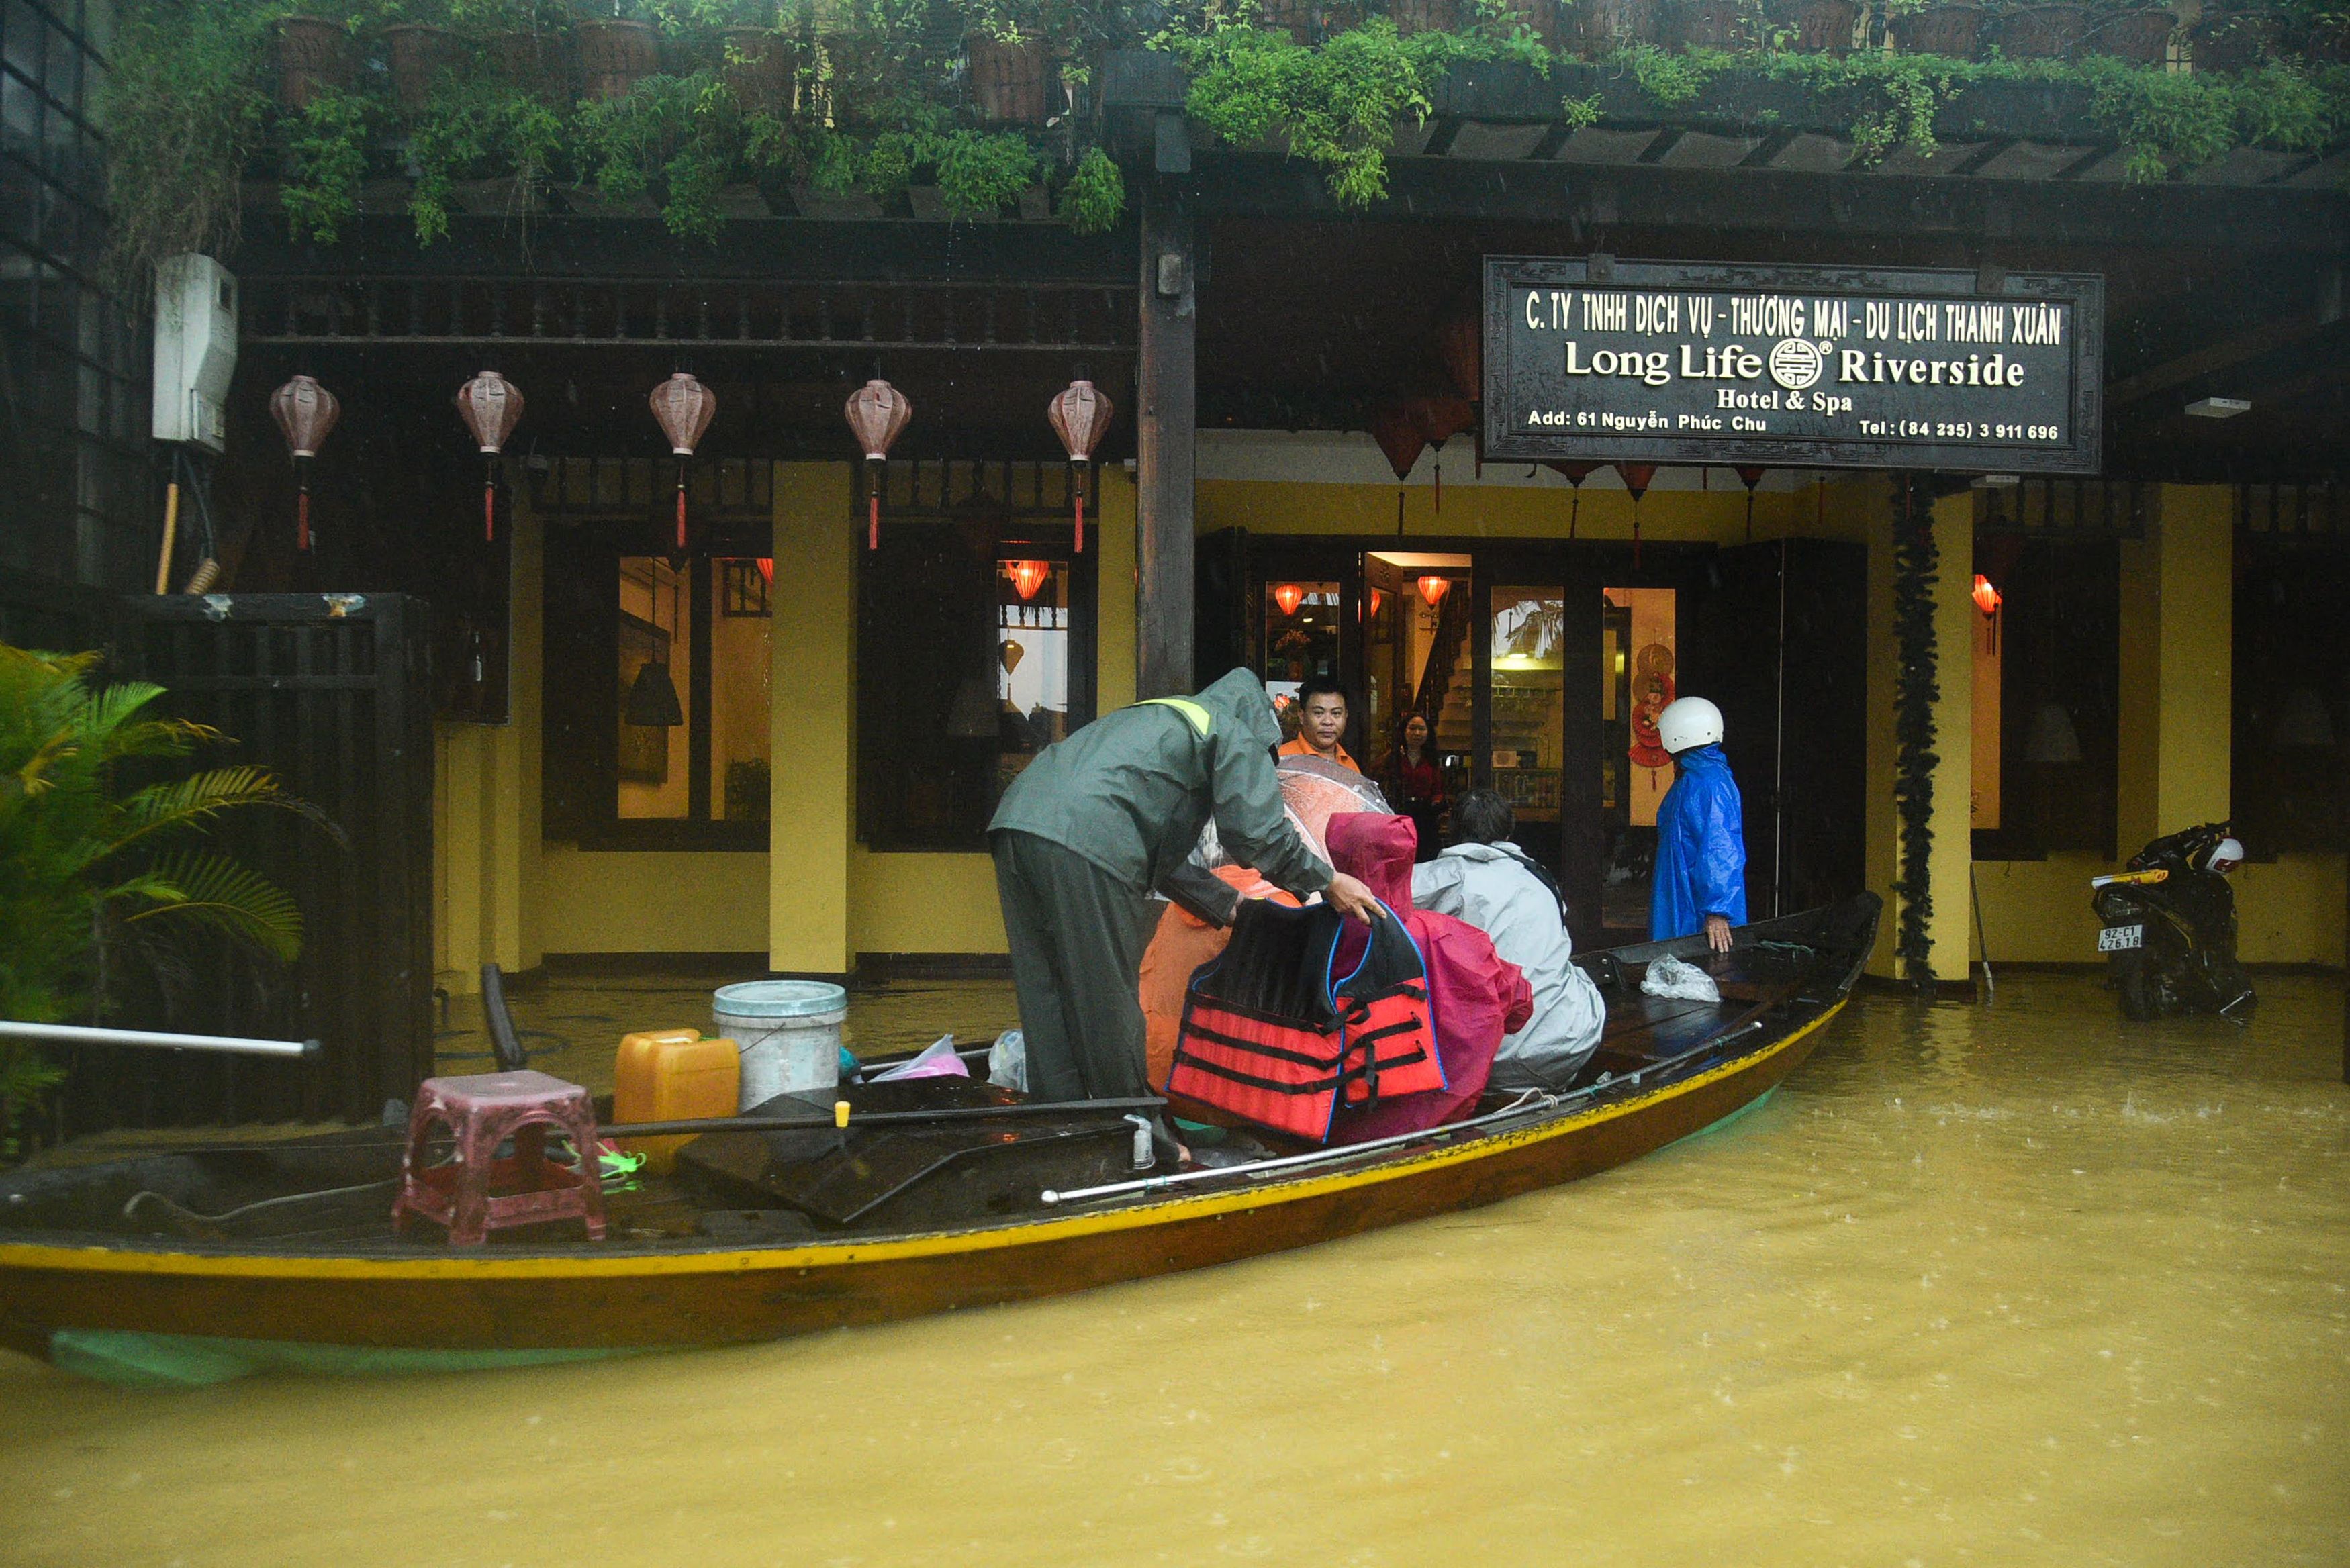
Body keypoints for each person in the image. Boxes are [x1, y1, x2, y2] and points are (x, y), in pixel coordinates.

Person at [989, 668, 1384, 1106]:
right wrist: (1328, 880)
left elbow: (1162, 852)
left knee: (1044, 990)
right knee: (1106, 998)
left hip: (1016, 821)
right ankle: (1132, 1125)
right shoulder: (1234, 730)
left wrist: (1223, 903)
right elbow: (1258, 836)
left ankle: (1058, 1120)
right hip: (1088, 837)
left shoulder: (1168, 716)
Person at [1322, 812, 1532, 1144]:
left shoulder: (1310, 936)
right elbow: (1519, 1005)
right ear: (1405, 858)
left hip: (1331, 1125)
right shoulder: (1450, 937)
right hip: (1432, 1117)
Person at [1411, 787, 1606, 1089]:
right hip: (1571, 1042)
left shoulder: (1444, 875)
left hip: (1490, 1056)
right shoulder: (1539, 875)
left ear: (1452, 829)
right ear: (1508, 830)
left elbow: (1378, 899)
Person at [1649, 695, 1747, 952]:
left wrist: (1717, 911)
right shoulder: (1694, 778)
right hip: (1685, 897)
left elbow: (1721, 848)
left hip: (1696, 907)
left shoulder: (1709, 782)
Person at [1378, 712, 1445, 864]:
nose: (1417, 733)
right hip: (1399, 814)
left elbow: (1438, 789)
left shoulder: (1432, 759)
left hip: (1425, 816)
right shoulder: (1391, 758)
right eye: (1412, 728)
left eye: (1422, 729)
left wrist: (1437, 802)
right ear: (1404, 730)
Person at [1278, 678, 1359, 771]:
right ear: (1302, 716)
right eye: (1319, 713)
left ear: (1345, 716)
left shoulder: (1350, 766)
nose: (1328, 722)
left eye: (1336, 713)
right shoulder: (1282, 759)